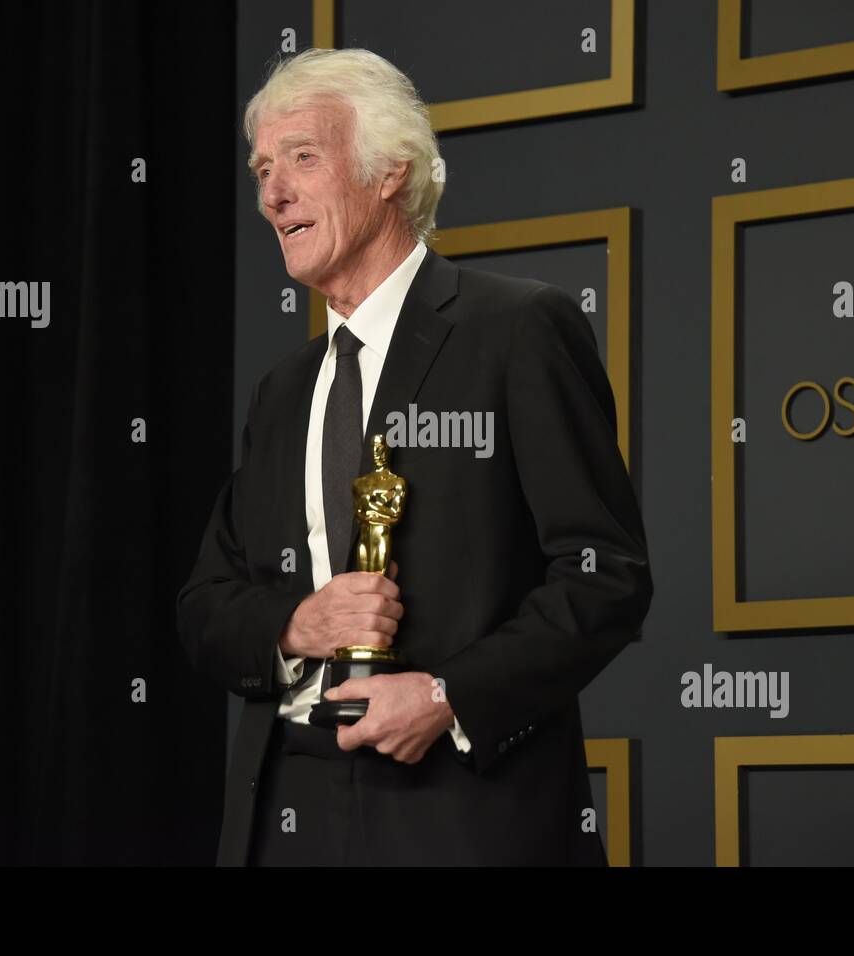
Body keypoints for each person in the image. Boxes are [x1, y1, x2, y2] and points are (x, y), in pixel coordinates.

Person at [176, 47, 652, 866]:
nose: (273, 193)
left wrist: (446, 696)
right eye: (261, 170)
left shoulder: (517, 330)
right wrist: (296, 623)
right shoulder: (282, 391)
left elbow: (604, 575)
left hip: (460, 816)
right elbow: (205, 605)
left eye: (301, 159)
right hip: (283, 819)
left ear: (391, 170)